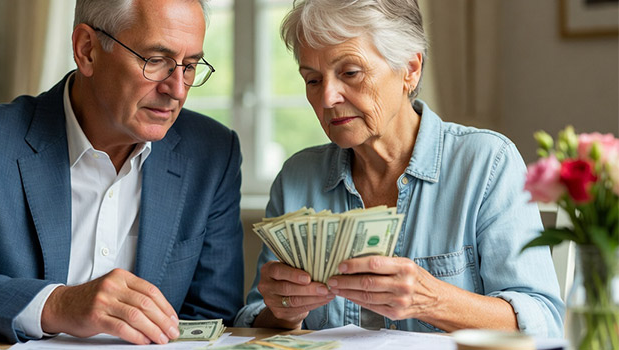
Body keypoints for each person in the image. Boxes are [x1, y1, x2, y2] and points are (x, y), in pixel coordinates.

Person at [0, 0, 244, 345]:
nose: (177, 90)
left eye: (190, 65)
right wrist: (57, 305)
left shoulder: (211, 153)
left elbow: (213, 317)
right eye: (155, 60)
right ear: (87, 49)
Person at [235, 0, 564, 337]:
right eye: (313, 80)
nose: (327, 98)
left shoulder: (487, 163)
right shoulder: (296, 179)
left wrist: (431, 300)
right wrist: (282, 311)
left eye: (350, 72)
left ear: (411, 69)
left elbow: (544, 321)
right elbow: (258, 318)